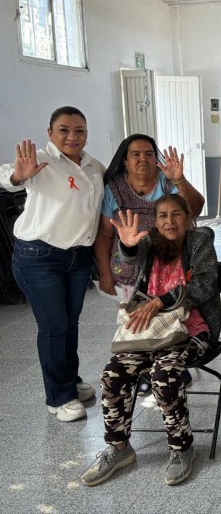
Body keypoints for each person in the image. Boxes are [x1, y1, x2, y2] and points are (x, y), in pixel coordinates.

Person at [80, 194, 221, 487]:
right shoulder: (147, 243)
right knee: (112, 373)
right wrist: (128, 247)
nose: (170, 221)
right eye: (163, 216)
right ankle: (119, 448)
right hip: (149, 332)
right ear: (155, 221)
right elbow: (125, 268)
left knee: (164, 373)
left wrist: (161, 301)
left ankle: (182, 448)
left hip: (192, 331)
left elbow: (205, 284)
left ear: (188, 218)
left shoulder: (199, 242)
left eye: (176, 214)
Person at [0, 106, 105, 422]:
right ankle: (59, 397)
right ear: (50, 132)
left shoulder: (93, 165)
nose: (72, 136)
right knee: (54, 325)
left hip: (79, 257)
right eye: (64, 130)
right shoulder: (41, 162)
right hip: (39, 257)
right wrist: (18, 176)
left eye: (79, 130)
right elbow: (9, 177)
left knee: (69, 323)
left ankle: (70, 379)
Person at [95, 133, 205, 294]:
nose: (143, 159)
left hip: (171, 268)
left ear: (155, 158)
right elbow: (104, 235)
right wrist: (105, 273)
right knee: (134, 311)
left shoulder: (168, 182)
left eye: (149, 154)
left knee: (174, 309)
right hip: (129, 270)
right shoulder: (113, 188)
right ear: (125, 160)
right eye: (136, 154)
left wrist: (179, 180)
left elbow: (195, 209)